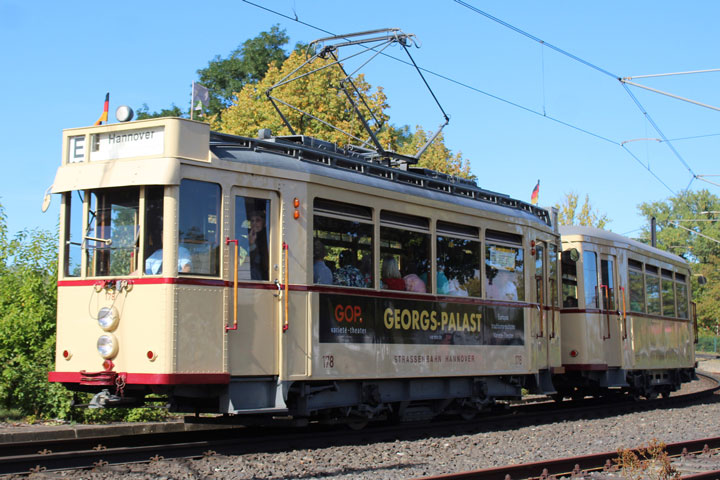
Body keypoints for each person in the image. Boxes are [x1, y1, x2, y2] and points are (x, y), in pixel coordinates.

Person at [248, 211, 269, 280]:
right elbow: (243, 262)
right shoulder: (245, 239)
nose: (254, 223)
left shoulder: (268, 238)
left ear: (264, 223)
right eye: (252, 221)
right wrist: (251, 244)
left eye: (257, 220)